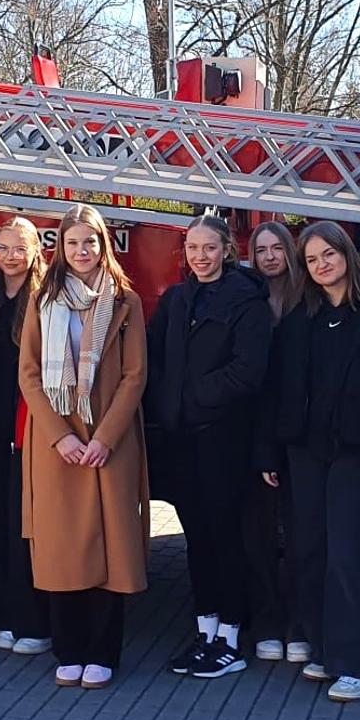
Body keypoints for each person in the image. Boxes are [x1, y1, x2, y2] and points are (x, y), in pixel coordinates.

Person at [259, 222, 360, 703]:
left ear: (348, 256)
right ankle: (325, 649)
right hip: (305, 452)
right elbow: (277, 391)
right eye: (311, 259)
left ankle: (357, 664)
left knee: (348, 554)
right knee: (309, 550)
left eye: (328, 254)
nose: (322, 264)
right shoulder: (298, 321)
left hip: (358, 453)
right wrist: (269, 451)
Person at [18, 205, 151, 689]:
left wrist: (104, 438)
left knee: (111, 548)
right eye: (73, 243)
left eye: (90, 242)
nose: (82, 251)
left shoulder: (125, 302)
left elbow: (136, 375)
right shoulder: (41, 299)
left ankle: (104, 653)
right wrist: (62, 436)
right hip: (58, 444)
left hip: (107, 440)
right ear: (60, 247)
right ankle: (68, 649)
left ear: (103, 245)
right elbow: (29, 374)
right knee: (62, 548)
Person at [149, 216, 272, 678]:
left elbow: (248, 371)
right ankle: (206, 630)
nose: (201, 257)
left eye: (209, 248)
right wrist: (167, 404)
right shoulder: (178, 301)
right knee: (196, 538)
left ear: (226, 250)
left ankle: (232, 639)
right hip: (183, 440)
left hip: (225, 439)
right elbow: (154, 357)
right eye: (193, 248)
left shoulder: (247, 301)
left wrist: (189, 397)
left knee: (227, 538)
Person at [0, 217, 52, 655]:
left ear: (36, 250)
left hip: (28, 429)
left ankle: (32, 619)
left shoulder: (45, 299)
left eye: (19, 247)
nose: (10, 255)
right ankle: (7, 611)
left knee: (26, 530)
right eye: (2, 247)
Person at [246, 220, 308, 663]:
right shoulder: (248, 299)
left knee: (305, 533)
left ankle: (303, 625)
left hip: (303, 433)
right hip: (257, 431)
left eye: (276, 248)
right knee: (260, 534)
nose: (269, 257)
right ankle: (268, 621)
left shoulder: (310, 301)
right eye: (260, 249)